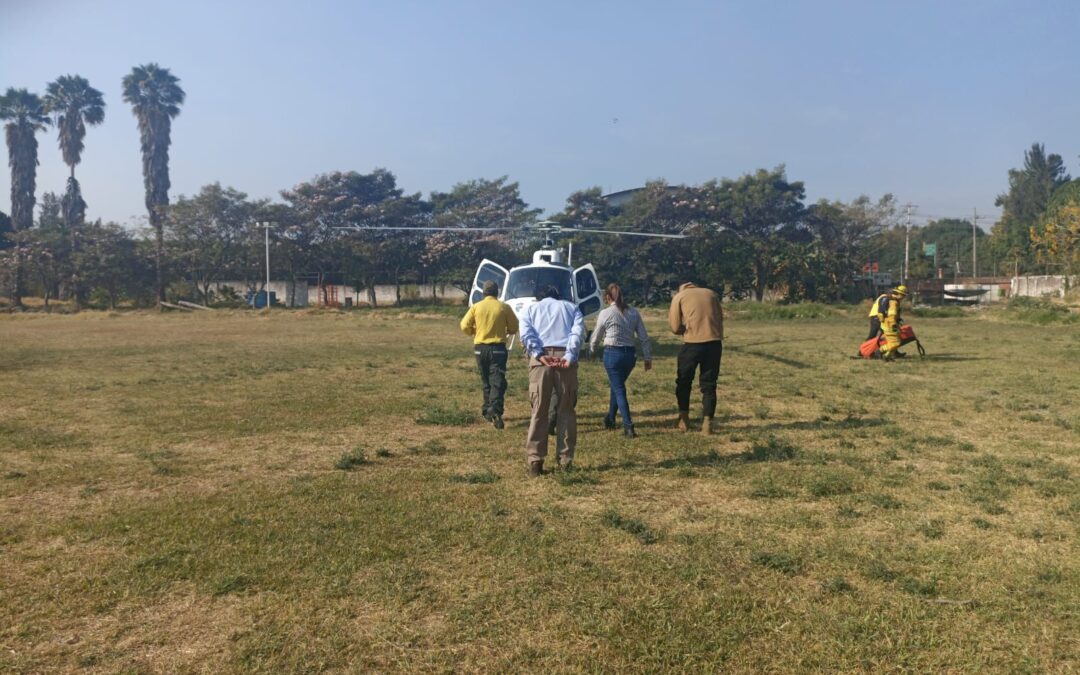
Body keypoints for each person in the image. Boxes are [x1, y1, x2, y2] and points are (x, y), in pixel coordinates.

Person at [519, 285, 585, 476]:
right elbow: (577, 333)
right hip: (565, 359)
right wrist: (569, 356)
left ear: (540, 297)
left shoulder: (530, 309)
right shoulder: (572, 308)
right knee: (566, 411)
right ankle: (565, 461)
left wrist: (539, 354)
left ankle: (535, 462)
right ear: (558, 296)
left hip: (540, 361)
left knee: (538, 411)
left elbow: (526, 333)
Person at [589, 283, 652, 438]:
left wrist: (592, 350)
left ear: (608, 297)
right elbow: (643, 337)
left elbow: (596, 335)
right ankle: (610, 418)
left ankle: (628, 426)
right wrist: (647, 357)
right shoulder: (634, 313)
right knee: (616, 386)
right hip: (630, 356)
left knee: (619, 389)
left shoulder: (605, 313)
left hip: (612, 354)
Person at [459, 280, 519, 429]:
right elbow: (514, 327)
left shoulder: (476, 307)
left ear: (484, 292)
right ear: (497, 292)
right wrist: (506, 331)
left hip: (480, 348)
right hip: (498, 348)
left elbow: (464, 325)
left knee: (486, 380)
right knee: (497, 381)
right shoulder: (504, 307)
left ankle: (487, 410)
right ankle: (495, 410)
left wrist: (474, 332)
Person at [668, 281, 724, 434]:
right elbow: (720, 318)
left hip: (692, 344)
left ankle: (684, 419)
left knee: (684, 382)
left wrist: (684, 330)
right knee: (709, 385)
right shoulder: (712, 294)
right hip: (714, 343)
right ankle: (707, 424)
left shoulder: (679, 296)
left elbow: (674, 326)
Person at [878, 284, 907, 360]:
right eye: (903, 295)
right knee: (896, 343)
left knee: (894, 342)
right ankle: (880, 351)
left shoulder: (891, 300)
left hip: (886, 324)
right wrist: (894, 325)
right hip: (889, 325)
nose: (903, 298)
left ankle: (887, 356)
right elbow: (892, 315)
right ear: (899, 294)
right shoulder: (894, 302)